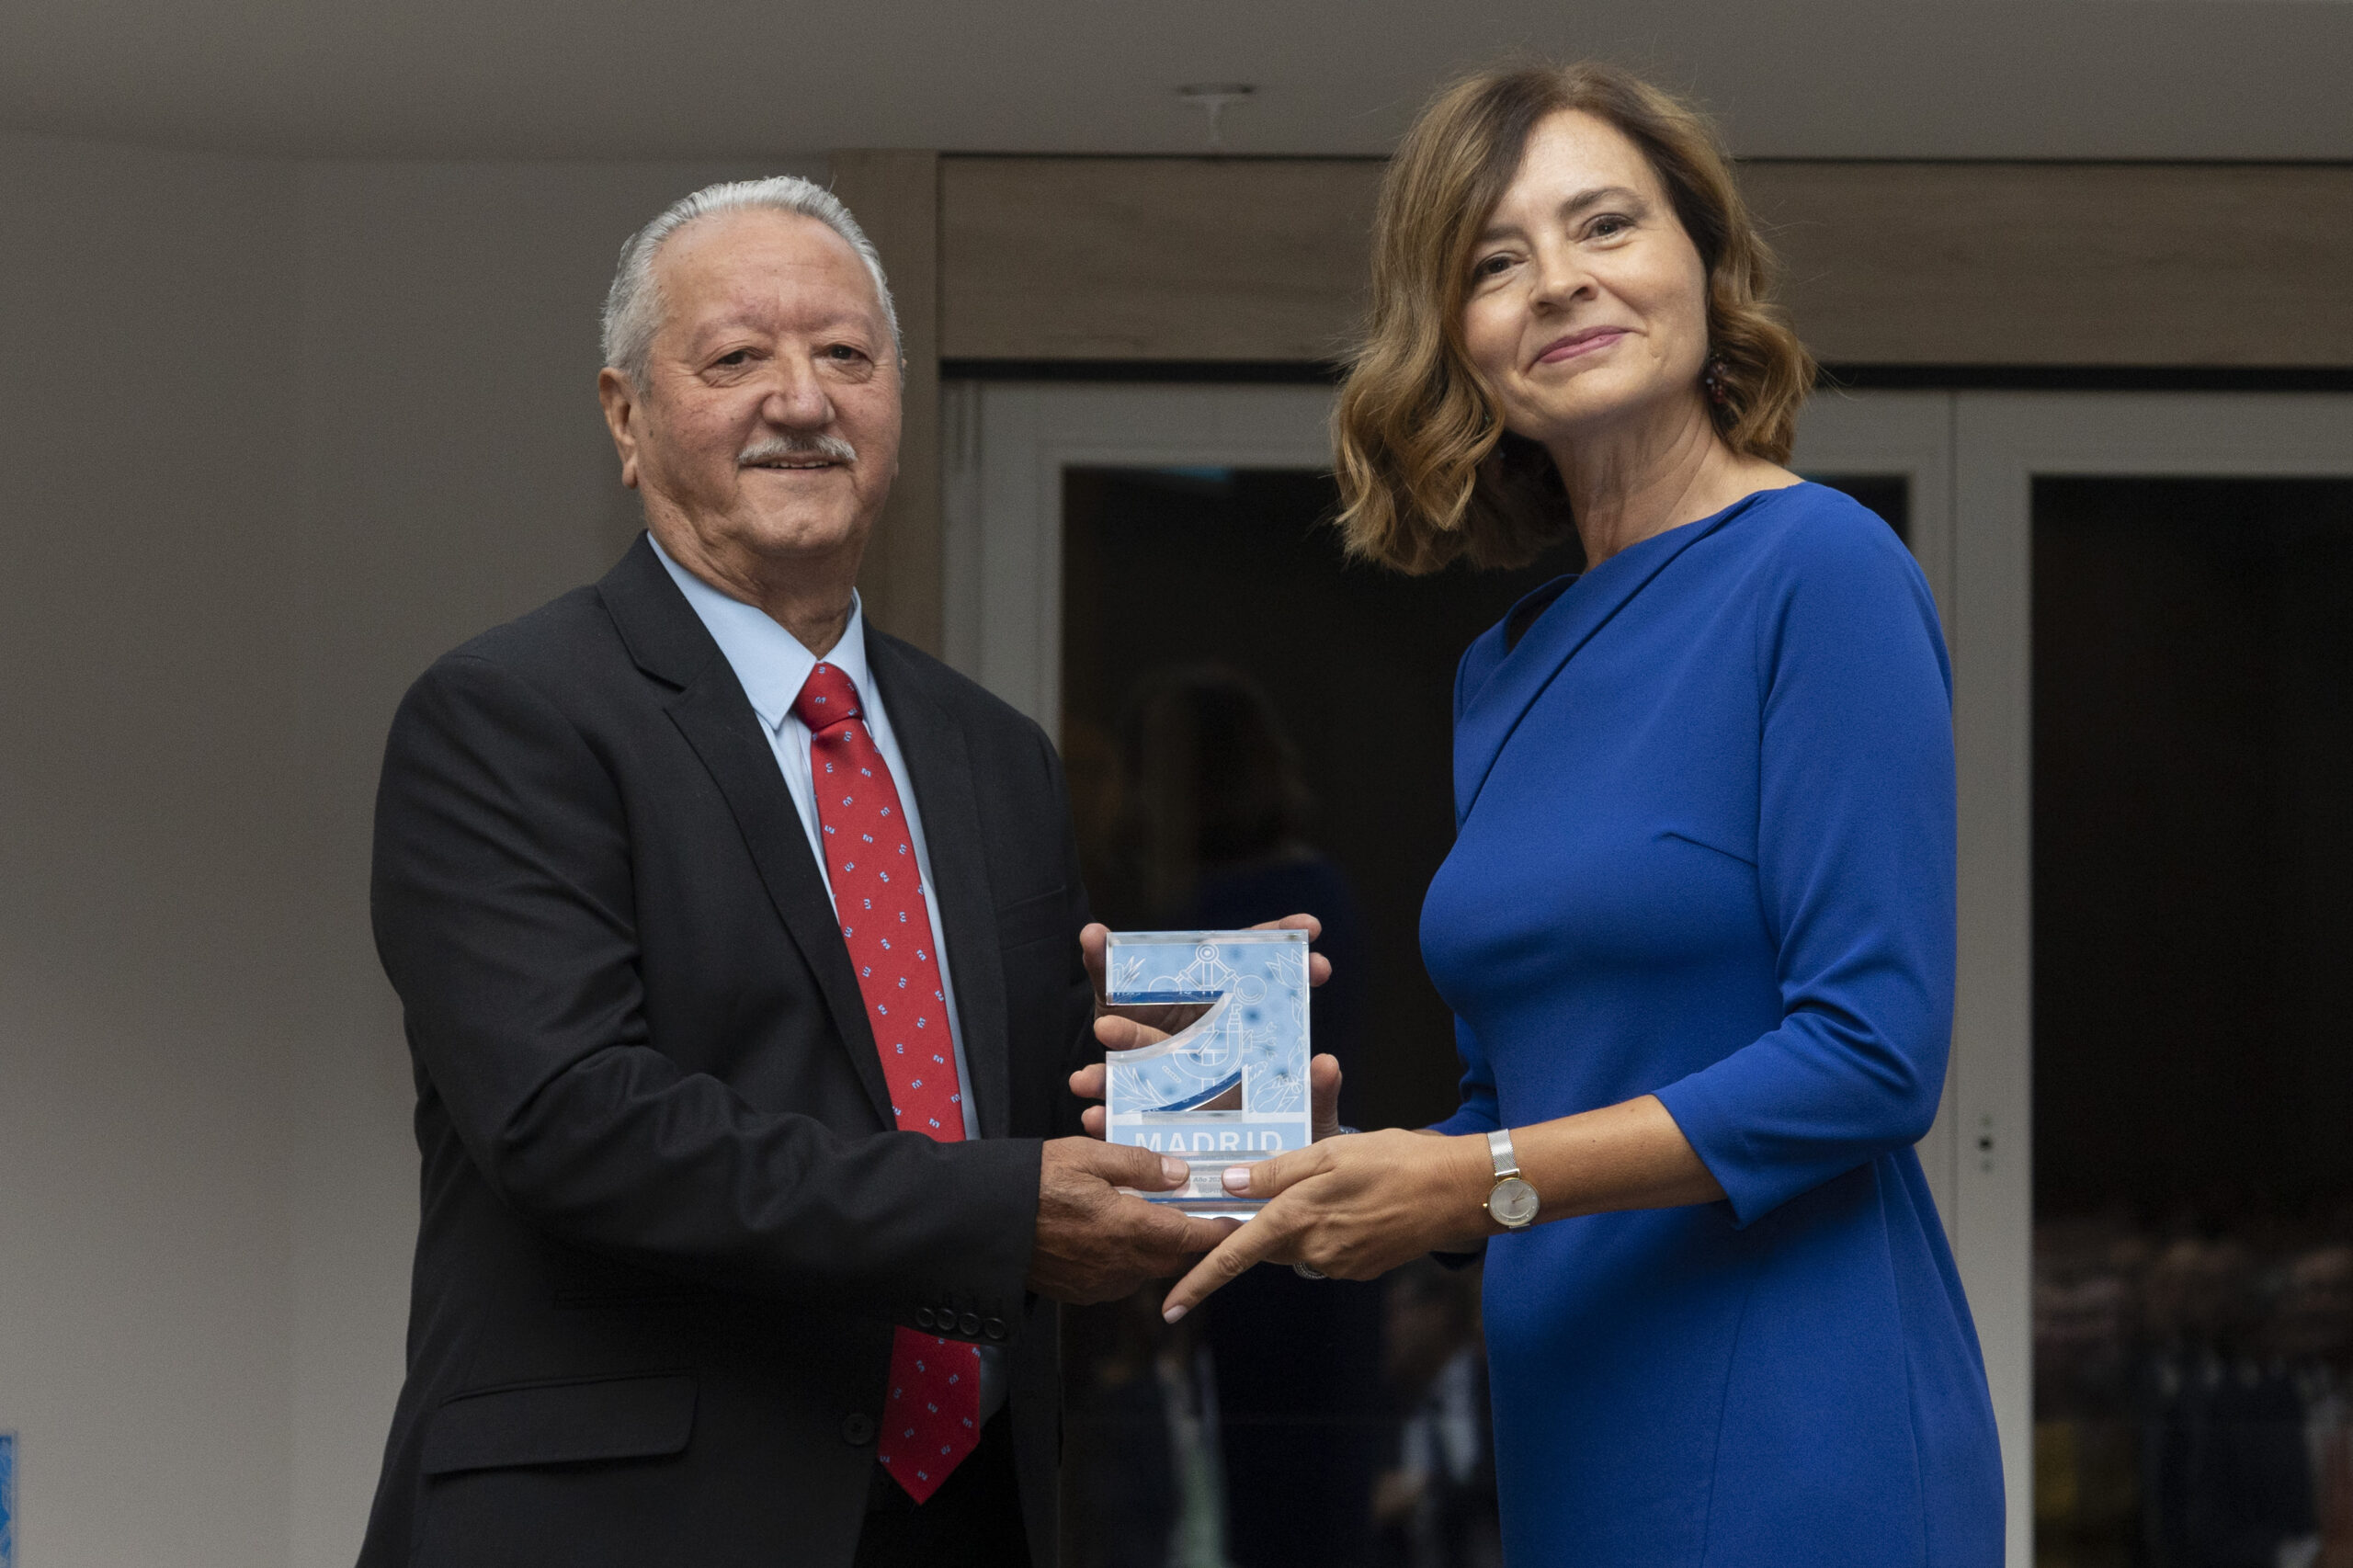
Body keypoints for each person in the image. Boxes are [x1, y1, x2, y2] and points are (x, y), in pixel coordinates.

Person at [354, 176, 1304, 1568]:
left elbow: (1000, 1117)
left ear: (897, 403)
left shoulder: (995, 754)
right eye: (737, 356)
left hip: (967, 1517)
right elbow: (573, 1120)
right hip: (632, 1522)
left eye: (846, 354)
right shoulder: (509, 718)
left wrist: (1189, 1101)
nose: (801, 400)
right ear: (626, 416)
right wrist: (1004, 1213)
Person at [1145, 62, 2006, 1565]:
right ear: (1459, 344)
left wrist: (1467, 1177)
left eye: (1604, 224)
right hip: (1573, 1416)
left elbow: (1872, 1053)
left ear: (1705, 264)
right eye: (1495, 261)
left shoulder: (1822, 569)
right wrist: (1351, 1162)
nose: (1556, 282)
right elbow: (1522, 1103)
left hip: (1805, 1415)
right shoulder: (1502, 671)